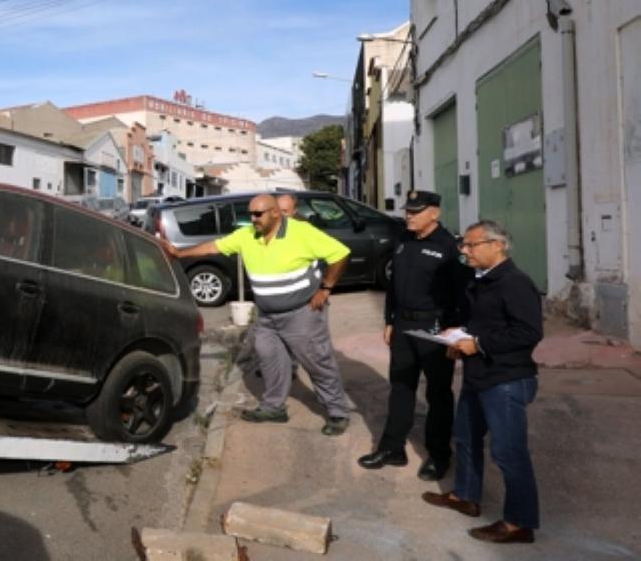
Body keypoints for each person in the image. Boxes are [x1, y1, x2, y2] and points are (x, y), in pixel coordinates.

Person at [166, 193, 353, 435]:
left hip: (301, 314)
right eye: (251, 214)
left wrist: (326, 288)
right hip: (267, 317)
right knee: (270, 361)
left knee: (317, 362)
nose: (253, 218)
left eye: (258, 214)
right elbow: (214, 246)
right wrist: (179, 253)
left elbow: (340, 253)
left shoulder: (301, 232)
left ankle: (337, 412)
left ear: (275, 213)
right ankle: (274, 408)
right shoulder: (247, 235)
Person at [422, 219, 542, 544]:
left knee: (508, 452)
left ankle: (519, 523)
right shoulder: (482, 280)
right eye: (463, 245)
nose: (465, 251)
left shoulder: (515, 283)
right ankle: (466, 496)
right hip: (479, 375)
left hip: (505, 379)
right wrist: (460, 336)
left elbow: (528, 332)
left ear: (497, 245)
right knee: (466, 437)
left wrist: (477, 344)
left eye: (471, 245)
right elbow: (488, 323)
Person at [359, 190, 467, 480]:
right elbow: (394, 285)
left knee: (438, 393)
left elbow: (461, 294)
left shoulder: (449, 247)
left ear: (435, 213)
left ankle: (439, 455)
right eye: (408, 210)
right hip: (404, 325)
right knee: (401, 387)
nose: (409, 216)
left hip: (435, 328)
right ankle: (392, 448)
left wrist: (455, 332)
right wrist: (389, 320)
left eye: (416, 211)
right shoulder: (404, 240)